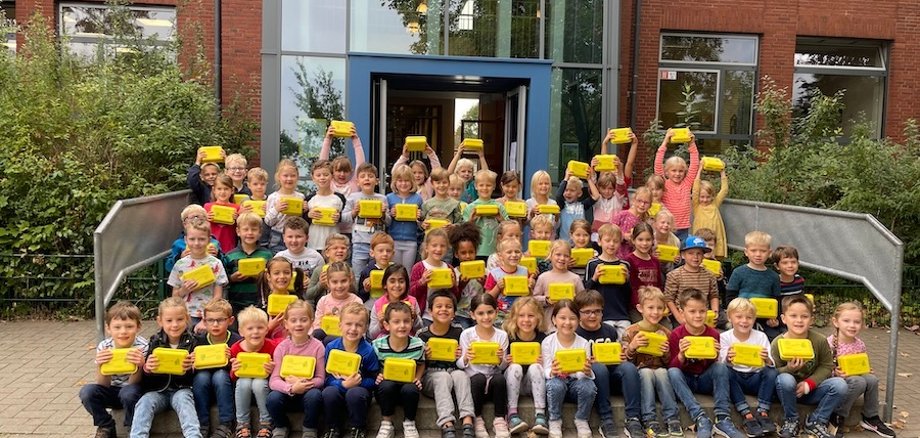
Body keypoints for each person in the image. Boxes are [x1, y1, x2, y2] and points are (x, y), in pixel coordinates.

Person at [667, 289, 746, 438]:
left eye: (702, 311)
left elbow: (714, 367)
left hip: (704, 379)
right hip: (686, 380)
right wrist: (681, 355)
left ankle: (723, 418)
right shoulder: (676, 334)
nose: (698, 315)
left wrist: (716, 355)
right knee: (672, 372)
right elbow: (672, 367)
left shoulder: (714, 334)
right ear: (682, 312)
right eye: (692, 311)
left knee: (721, 367)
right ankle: (700, 417)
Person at [772, 296, 848, 438]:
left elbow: (827, 365)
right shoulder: (778, 342)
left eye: (804, 316)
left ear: (811, 320)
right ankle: (791, 420)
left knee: (840, 385)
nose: (799, 320)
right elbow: (772, 373)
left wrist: (810, 383)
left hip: (811, 391)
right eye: (793, 316)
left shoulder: (819, 340)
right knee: (785, 379)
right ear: (784, 319)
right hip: (786, 392)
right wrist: (789, 369)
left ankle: (817, 421)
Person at [574, 290, 643, 438]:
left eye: (597, 311)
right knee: (598, 367)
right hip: (593, 379)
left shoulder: (610, 330)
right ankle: (606, 419)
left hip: (612, 375)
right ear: (578, 313)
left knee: (629, 368)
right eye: (587, 312)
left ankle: (633, 418)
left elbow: (617, 356)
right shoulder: (576, 334)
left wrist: (621, 355)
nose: (592, 316)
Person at [130, 297, 200, 438]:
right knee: (144, 402)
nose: (174, 325)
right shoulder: (155, 341)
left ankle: (194, 435)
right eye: (169, 321)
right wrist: (147, 368)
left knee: (184, 401)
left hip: (181, 389)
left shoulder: (194, 342)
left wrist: (193, 367)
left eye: (179, 320)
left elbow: (197, 378)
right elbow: (147, 376)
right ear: (160, 321)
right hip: (158, 391)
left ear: (187, 319)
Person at [79, 301, 147, 438]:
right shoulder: (104, 346)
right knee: (87, 392)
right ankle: (106, 425)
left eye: (129, 326)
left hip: (133, 390)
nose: (123, 332)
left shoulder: (143, 346)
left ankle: (131, 427)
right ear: (108, 328)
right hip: (112, 389)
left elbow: (135, 383)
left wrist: (139, 366)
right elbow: (102, 384)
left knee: (128, 393)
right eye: (117, 327)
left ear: (138, 327)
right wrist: (101, 365)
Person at [827, 302, 895, 438]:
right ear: (836, 322)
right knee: (859, 381)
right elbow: (822, 369)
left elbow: (862, 364)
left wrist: (866, 369)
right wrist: (835, 372)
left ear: (862, 324)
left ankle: (870, 417)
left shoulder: (860, 344)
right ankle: (837, 416)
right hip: (835, 384)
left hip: (853, 381)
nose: (852, 325)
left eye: (857, 322)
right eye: (846, 321)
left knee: (872, 379)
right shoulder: (828, 343)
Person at [620, 287, 680, 437]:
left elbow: (669, 362)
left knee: (662, 372)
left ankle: (671, 417)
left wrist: (666, 352)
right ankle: (649, 418)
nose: (655, 312)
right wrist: (632, 346)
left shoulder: (666, 332)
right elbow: (624, 362)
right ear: (640, 308)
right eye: (651, 308)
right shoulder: (631, 331)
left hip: (660, 372)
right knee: (646, 372)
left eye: (660, 308)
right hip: (640, 372)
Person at [416, 290, 476, 438]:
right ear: (430, 311)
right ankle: (447, 423)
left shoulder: (459, 332)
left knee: (461, 375)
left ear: (454, 312)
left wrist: (460, 355)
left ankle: (467, 420)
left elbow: (465, 359)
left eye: (448, 307)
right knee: (442, 376)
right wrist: (424, 356)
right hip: (432, 377)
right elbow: (415, 363)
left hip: (455, 377)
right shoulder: (422, 335)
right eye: (439, 306)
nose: (443, 309)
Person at [266, 300, 326, 438]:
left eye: (303, 320)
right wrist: (291, 388)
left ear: (311, 322)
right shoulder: (281, 348)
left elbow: (320, 379)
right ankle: (281, 425)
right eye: (293, 320)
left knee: (315, 396)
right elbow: (274, 380)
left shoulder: (318, 347)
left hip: (308, 393)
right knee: (272, 398)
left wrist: (303, 383)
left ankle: (309, 427)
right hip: (287, 394)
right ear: (286, 324)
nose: (298, 324)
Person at [720, 298, 778, 437]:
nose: (744, 321)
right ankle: (745, 412)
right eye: (739, 317)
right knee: (725, 371)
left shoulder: (761, 336)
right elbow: (720, 362)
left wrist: (766, 358)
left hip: (755, 377)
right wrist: (727, 356)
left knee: (771, 372)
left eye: (749, 317)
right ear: (730, 317)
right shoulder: (724, 337)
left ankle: (762, 411)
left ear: (754, 319)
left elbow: (771, 363)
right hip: (735, 378)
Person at [322, 302, 380, 438]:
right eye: (349, 324)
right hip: (337, 387)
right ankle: (332, 428)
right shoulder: (331, 347)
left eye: (359, 325)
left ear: (365, 328)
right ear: (340, 325)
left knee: (355, 394)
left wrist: (360, 382)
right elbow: (326, 377)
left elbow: (374, 379)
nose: (353, 329)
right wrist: (341, 384)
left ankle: (358, 428)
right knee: (329, 393)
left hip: (359, 389)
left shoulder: (368, 350)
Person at [458, 293, 511, 438]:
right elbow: (460, 364)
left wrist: (501, 359)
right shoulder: (467, 334)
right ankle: (478, 418)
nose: (486, 317)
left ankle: (500, 419)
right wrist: (466, 358)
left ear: (496, 312)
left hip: (493, 381)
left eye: (490, 312)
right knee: (478, 378)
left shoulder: (502, 335)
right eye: (480, 313)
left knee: (500, 379)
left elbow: (503, 367)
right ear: (473, 315)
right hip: (474, 383)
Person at [542, 299, 596, 438]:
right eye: (562, 318)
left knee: (589, 386)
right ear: (554, 320)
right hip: (557, 382)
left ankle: (581, 419)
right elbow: (546, 370)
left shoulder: (583, 343)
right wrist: (552, 372)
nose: (567, 322)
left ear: (578, 321)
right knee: (554, 385)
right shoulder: (548, 342)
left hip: (575, 383)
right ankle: (554, 420)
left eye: (572, 318)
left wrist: (586, 371)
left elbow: (585, 374)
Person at [372, 301, 426, 438]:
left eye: (406, 321)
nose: (402, 326)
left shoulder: (418, 345)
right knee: (386, 385)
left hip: (406, 388)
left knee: (411, 388)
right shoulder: (378, 345)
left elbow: (421, 364)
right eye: (396, 322)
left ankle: (409, 422)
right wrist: (377, 375)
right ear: (386, 325)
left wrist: (418, 378)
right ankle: (386, 423)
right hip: (386, 390)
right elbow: (373, 367)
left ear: (412, 322)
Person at [168, 219, 229, 334]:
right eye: (192, 239)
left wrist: (205, 319)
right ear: (186, 240)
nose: (196, 243)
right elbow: (174, 297)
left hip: (210, 317)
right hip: (185, 316)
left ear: (209, 240)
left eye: (201, 239)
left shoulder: (215, 263)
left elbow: (218, 296)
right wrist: (184, 290)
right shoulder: (180, 264)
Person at [192, 299, 241, 438]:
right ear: (204, 321)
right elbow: (191, 369)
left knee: (220, 375)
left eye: (220, 320)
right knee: (201, 376)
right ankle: (203, 423)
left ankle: (227, 423)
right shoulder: (198, 341)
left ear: (230, 320)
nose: (215, 324)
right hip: (204, 385)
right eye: (210, 320)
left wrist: (232, 360)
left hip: (226, 386)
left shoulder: (236, 341)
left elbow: (240, 369)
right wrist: (192, 364)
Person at [230, 306, 279, 438]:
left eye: (260, 328)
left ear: (266, 329)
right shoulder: (235, 348)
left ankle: (266, 422)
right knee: (243, 382)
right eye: (250, 328)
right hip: (243, 387)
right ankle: (242, 423)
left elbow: (277, 374)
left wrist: (273, 370)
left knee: (259, 382)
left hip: (263, 386)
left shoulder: (272, 347)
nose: (255, 332)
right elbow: (233, 377)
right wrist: (234, 371)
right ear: (241, 331)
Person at [502, 297, 548, 435]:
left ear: (538, 318)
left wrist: (543, 363)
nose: (526, 320)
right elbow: (500, 367)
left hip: (532, 383)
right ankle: (512, 414)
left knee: (536, 367)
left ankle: (540, 415)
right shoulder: (508, 337)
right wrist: (505, 361)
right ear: (514, 318)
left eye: (531, 316)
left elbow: (548, 368)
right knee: (515, 367)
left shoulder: (543, 338)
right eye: (521, 315)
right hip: (512, 380)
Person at [726, 231, 781, 339]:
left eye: (763, 251)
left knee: (774, 339)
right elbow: (730, 296)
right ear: (746, 252)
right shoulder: (738, 272)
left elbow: (777, 300)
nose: (758, 254)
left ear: (769, 252)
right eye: (753, 250)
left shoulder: (774, 276)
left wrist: (775, 318)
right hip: (742, 318)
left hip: (765, 319)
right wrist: (732, 315)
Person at [341, 163, 389, 279]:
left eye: (370, 176)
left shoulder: (382, 198)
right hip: (359, 243)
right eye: (363, 176)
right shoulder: (353, 197)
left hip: (378, 244)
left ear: (376, 181)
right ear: (358, 182)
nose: (367, 178)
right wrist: (353, 212)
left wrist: (383, 213)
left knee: (378, 274)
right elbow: (343, 218)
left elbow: (388, 222)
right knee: (358, 275)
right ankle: (360, 296)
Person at [584, 224, 632, 337]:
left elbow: (629, 294)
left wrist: (627, 280)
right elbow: (585, 290)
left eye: (615, 241)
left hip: (622, 314)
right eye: (608, 240)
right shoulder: (592, 264)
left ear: (620, 243)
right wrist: (594, 278)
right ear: (600, 242)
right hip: (601, 315)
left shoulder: (624, 265)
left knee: (624, 345)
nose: (611, 244)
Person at [653, 128, 700, 241]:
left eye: (680, 171)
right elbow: (658, 164)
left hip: (683, 228)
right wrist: (665, 141)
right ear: (667, 171)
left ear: (685, 172)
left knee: (681, 255)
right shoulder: (663, 183)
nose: (677, 174)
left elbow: (694, 164)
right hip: (666, 227)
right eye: (673, 171)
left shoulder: (687, 183)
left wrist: (692, 144)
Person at [225, 212, 274, 316]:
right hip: (236, 303)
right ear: (238, 231)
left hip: (260, 303)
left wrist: (262, 277)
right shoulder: (230, 256)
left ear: (260, 232)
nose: (250, 233)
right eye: (246, 229)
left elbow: (272, 277)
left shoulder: (267, 255)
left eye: (254, 229)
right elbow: (223, 280)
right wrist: (232, 278)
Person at [663, 236, 719, 327]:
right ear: (683, 255)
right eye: (690, 253)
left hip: (702, 315)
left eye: (699, 253)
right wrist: (679, 317)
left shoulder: (709, 275)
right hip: (683, 317)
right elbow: (669, 299)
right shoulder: (674, 275)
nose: (695, 257)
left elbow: (714, 295)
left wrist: (715, 311)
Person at [409, 228, 459, 322]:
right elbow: (411, 294)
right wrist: (421, 282)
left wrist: (453, 286)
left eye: (442, 246)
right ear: (427, 248)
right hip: (425, 316)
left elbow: (455, 296)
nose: (438, 249)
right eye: (434, 245)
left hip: (445, 316)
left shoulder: (449, 268)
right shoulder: (419, 267)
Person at [532, 240, 586, 325]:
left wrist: (575, 299)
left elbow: (583, 301)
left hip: (570, 324)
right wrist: (546, 300)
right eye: (558, 254)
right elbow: (534, 299)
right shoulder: (543, 277)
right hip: (548, 324)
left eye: (566, 256)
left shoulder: (575, 278)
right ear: (551, 256)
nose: (562, 258)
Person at [462, 169, 510, 259]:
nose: (485, 188)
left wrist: (500, 219)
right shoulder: (470, 207)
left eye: (488, 185)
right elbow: (464, 232)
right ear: (476, 186)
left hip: (496, 251)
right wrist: (471, 220)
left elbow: (508, 228)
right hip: (475, 251)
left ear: (494, 186)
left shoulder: (499, 207)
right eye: (481, 185)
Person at [484, 238, 532, 326]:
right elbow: (487, 298)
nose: (514, 255)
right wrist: (497, 287)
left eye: (517, 252)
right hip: (501, 315)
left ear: (521, 254)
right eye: (509, 252)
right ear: (500, 256)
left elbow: (529, 296)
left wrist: (530, 287)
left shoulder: (524, 271)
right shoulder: (494, 273)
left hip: (520, 314)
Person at [312, 262, 363, 343]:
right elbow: (317, 325)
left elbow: (359, 325)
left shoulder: (356, 301)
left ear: (350, 280)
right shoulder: (323, 300)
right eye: (335, 282)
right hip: (326, 337)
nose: (339, 286)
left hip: (348, 337)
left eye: (343, 281)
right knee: (317, 333)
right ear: (328, 283)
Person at [369, 264, 423, 339]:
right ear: (385, 284)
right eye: (392, 281)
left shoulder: (412, 302)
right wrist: (380, 324)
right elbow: (372, 335)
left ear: (406, 284)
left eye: (401, 281)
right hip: (384, 344)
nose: (397, 285)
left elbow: (420, 329)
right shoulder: (378, 305)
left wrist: (415, 317)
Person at [304, 159, 346, 252]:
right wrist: (308, 215)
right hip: (314, 242)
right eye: (318, 175)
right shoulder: (309, 199)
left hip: (333, 242)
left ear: (332, 176)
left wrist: (339, 218)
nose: (322, 178)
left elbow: (347, 216)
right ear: (313, 178)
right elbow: (302, 220)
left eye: (326, 175)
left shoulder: (339, 198)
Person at [257, 256, 305, 340]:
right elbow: (255, 334)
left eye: (286, 272)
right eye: (276, 273)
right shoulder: (263, 303)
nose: (282, 276)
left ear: (291, 275)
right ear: (268, 276)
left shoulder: (298, 300)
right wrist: (270, 326)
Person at [385, 164, 424, 268]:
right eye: (400, 181)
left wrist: (420, 217)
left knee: (407, 270)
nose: (403, 184)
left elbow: (422, 223)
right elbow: (385, 220)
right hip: (393, 240)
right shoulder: (389, 198)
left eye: (407, 181)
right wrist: (390, 213)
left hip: (411, 240)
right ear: (395, 182)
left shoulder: (417, 199)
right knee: (394, 269)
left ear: (412, 182)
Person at [264, 159, 306, 253]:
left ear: (297, 177)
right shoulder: (273, 197)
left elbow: (302, 220)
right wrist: (276, 209)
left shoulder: (300, 197)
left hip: (296, 235)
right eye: (285, 175)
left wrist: (305, 210)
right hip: (277, 235)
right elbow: (268, 221)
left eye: (293, 176)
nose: (289, 179)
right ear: (278, 177)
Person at [165, 204, 222, 273]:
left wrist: (218, 255)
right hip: (187, 279)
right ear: (184, 224)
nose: (196, 220)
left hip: (209, 277)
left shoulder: (213, 242)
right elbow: (168, 267)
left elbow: (224, 264)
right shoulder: (179, 243)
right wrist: (179, 258)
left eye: (200, 218)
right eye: (192, 218)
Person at [448, 223, 484, 328]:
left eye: (471, 252)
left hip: (480, 313)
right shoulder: (454, 273)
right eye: (463, 253)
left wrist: (484, 284)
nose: (468, 256)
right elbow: (452, 300)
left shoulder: (484, 272)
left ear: (476, 252)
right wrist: (460, 286)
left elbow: (489, 297)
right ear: (456, 254)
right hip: (460, 315)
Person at [691, 167, 728, 259]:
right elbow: (695, 190)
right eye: (702, 197)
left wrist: (722, 172)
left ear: (712, 196)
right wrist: (699, 169)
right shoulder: (697, 206)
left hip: (714, 239)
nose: (705, 199)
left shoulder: (714, 204)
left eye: (708, 197)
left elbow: (724, 191)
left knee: (714, 260)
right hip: (700, 238)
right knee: (699, 257)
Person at [305, 234, 351, 305]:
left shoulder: (349, 270)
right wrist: (320, 284)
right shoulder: (319, 270)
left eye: (343, 248)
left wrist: (351, 282)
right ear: (327, 253)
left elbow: (356, 292)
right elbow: (308, 295)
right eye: (335, 248)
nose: (340, 250)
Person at [554, 170, 598, 242]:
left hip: (579, 242)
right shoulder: (562, 205)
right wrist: (566, 178)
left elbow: (596, 196)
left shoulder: (582, 205)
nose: (568, 193)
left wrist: (589, 179)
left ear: (579, 193)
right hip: (564, 243)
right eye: (566, 190)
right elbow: (558, 195)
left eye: (572, 190)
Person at [611, 187, 653, 259]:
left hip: (637, 258)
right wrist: (624, 236)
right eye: (639, 201)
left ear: (650, 205)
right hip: (619, 255)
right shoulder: (622, 215)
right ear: (634, 200)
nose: (642, 205)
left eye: (646, 202)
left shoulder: (647, 221)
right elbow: (610, 231)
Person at [204, 173, 242, 253]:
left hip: (230, 248)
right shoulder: (207, 207)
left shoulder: (237, 208)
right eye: (219, 189)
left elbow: (241, 228)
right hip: (211, 248)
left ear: (232, 190)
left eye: (226, 189)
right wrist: (205, 219)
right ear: (214, 190)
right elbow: (201, 227)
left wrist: (238, 219)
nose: (222, 192)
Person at [357, 232, 395, 302]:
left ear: (393, 253)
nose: (385, 254)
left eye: (388, 251)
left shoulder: (396, 270)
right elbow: (360, 295)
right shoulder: (367, 271)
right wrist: (366, 289)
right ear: (372, 253)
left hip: (392, 301)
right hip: (373, 301)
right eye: (380, 251)